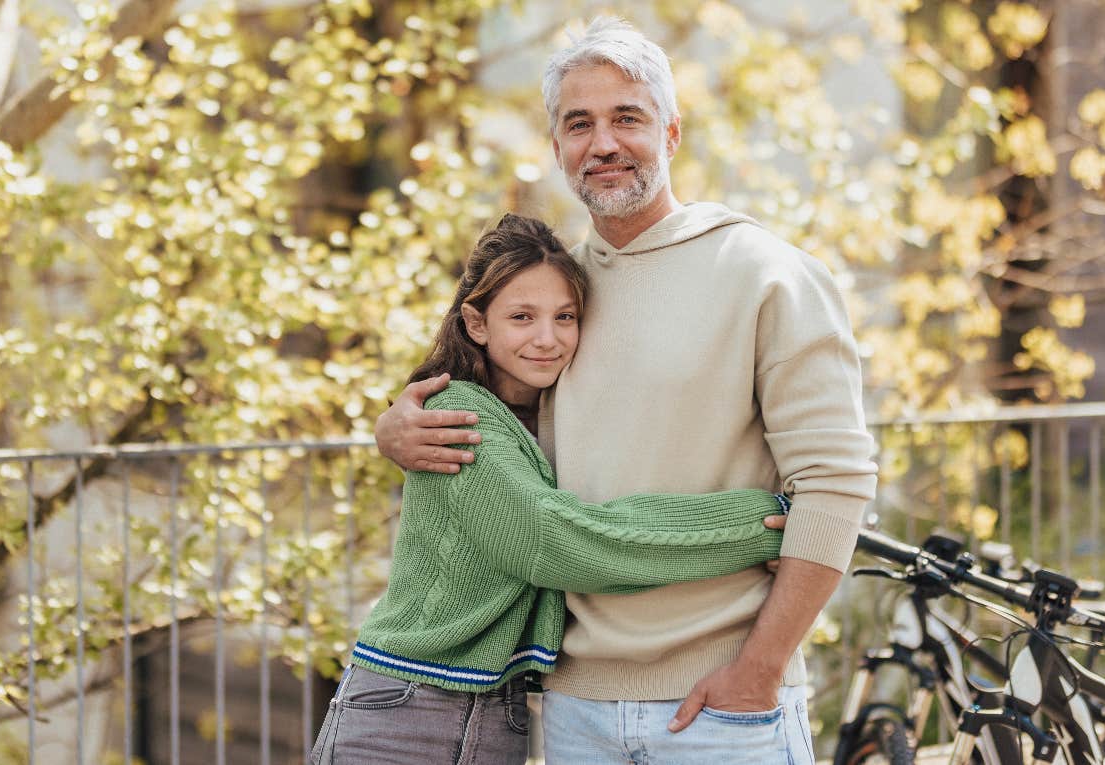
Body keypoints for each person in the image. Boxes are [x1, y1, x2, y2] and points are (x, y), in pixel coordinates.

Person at [374, 17, 878, 764]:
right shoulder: (552, 294)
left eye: (627, 118)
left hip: (723, 708)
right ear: (557, 149)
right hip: (575, 708)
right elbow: (477, 406)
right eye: (580, 124)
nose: (603, 143)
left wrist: (759, 670)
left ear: (671, 134)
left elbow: (836, 484)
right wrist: (391, 430)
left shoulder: (766, 273)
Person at [309, 214, 792, 765]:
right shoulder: (456, 415)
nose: (547, 338)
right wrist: (761, 524)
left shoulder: (552, 417)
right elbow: (558, 542)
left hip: (499, 708)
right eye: (521, 317)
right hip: (409, 709)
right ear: (477, 322)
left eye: (565, 317)